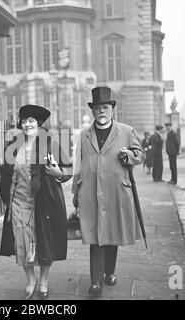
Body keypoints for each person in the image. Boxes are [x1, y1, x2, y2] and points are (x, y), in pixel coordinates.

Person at [72, 87, 145, 296]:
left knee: (112, 235)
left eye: (105, 107)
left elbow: (140, 155)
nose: (101, 111)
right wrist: (76, 193)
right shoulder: (84, 135)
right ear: (92, 111)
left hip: (116, 193)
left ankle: (109, 273)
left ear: (112, 109)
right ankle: (96, 282)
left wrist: (128, 155)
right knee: (95, 238)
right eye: (97, 108)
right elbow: (79, 165)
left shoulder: (126, 131)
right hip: (90, 193)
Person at [0, 105, 72, 300]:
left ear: (39, 124)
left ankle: (44, 281)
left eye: (31, 121)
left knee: (45, 243)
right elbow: (5, 173)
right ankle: (31, 279)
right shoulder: (13, 145)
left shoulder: (51, 144)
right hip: (19, 202)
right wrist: (6, 196)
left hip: (44, 201)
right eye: (24, 121)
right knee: (22, 243)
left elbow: (69, 169)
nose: (27, 124)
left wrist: (59, 173)